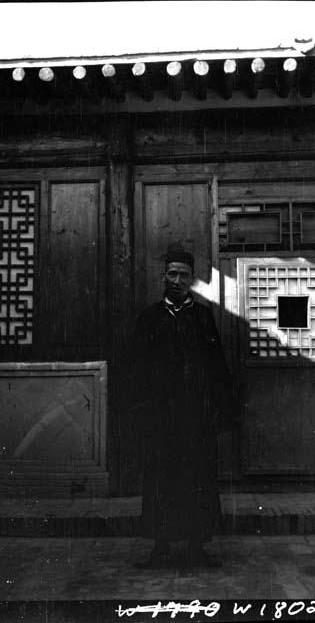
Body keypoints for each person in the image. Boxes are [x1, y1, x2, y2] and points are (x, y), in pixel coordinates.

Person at [132, 242, 237, 568]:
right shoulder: (149, 318)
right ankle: (160, 546)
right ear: (164, 276)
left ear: (192, 280)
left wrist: (220, 411)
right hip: (161, 417)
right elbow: (136, 370)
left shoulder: (202, 318)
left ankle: (196, 546)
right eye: (172, 274)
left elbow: (217, 366)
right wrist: (141, 411)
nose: (177, 280)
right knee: (161, 479)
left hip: (196, 417)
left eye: (184, 275)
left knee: (198, 479)